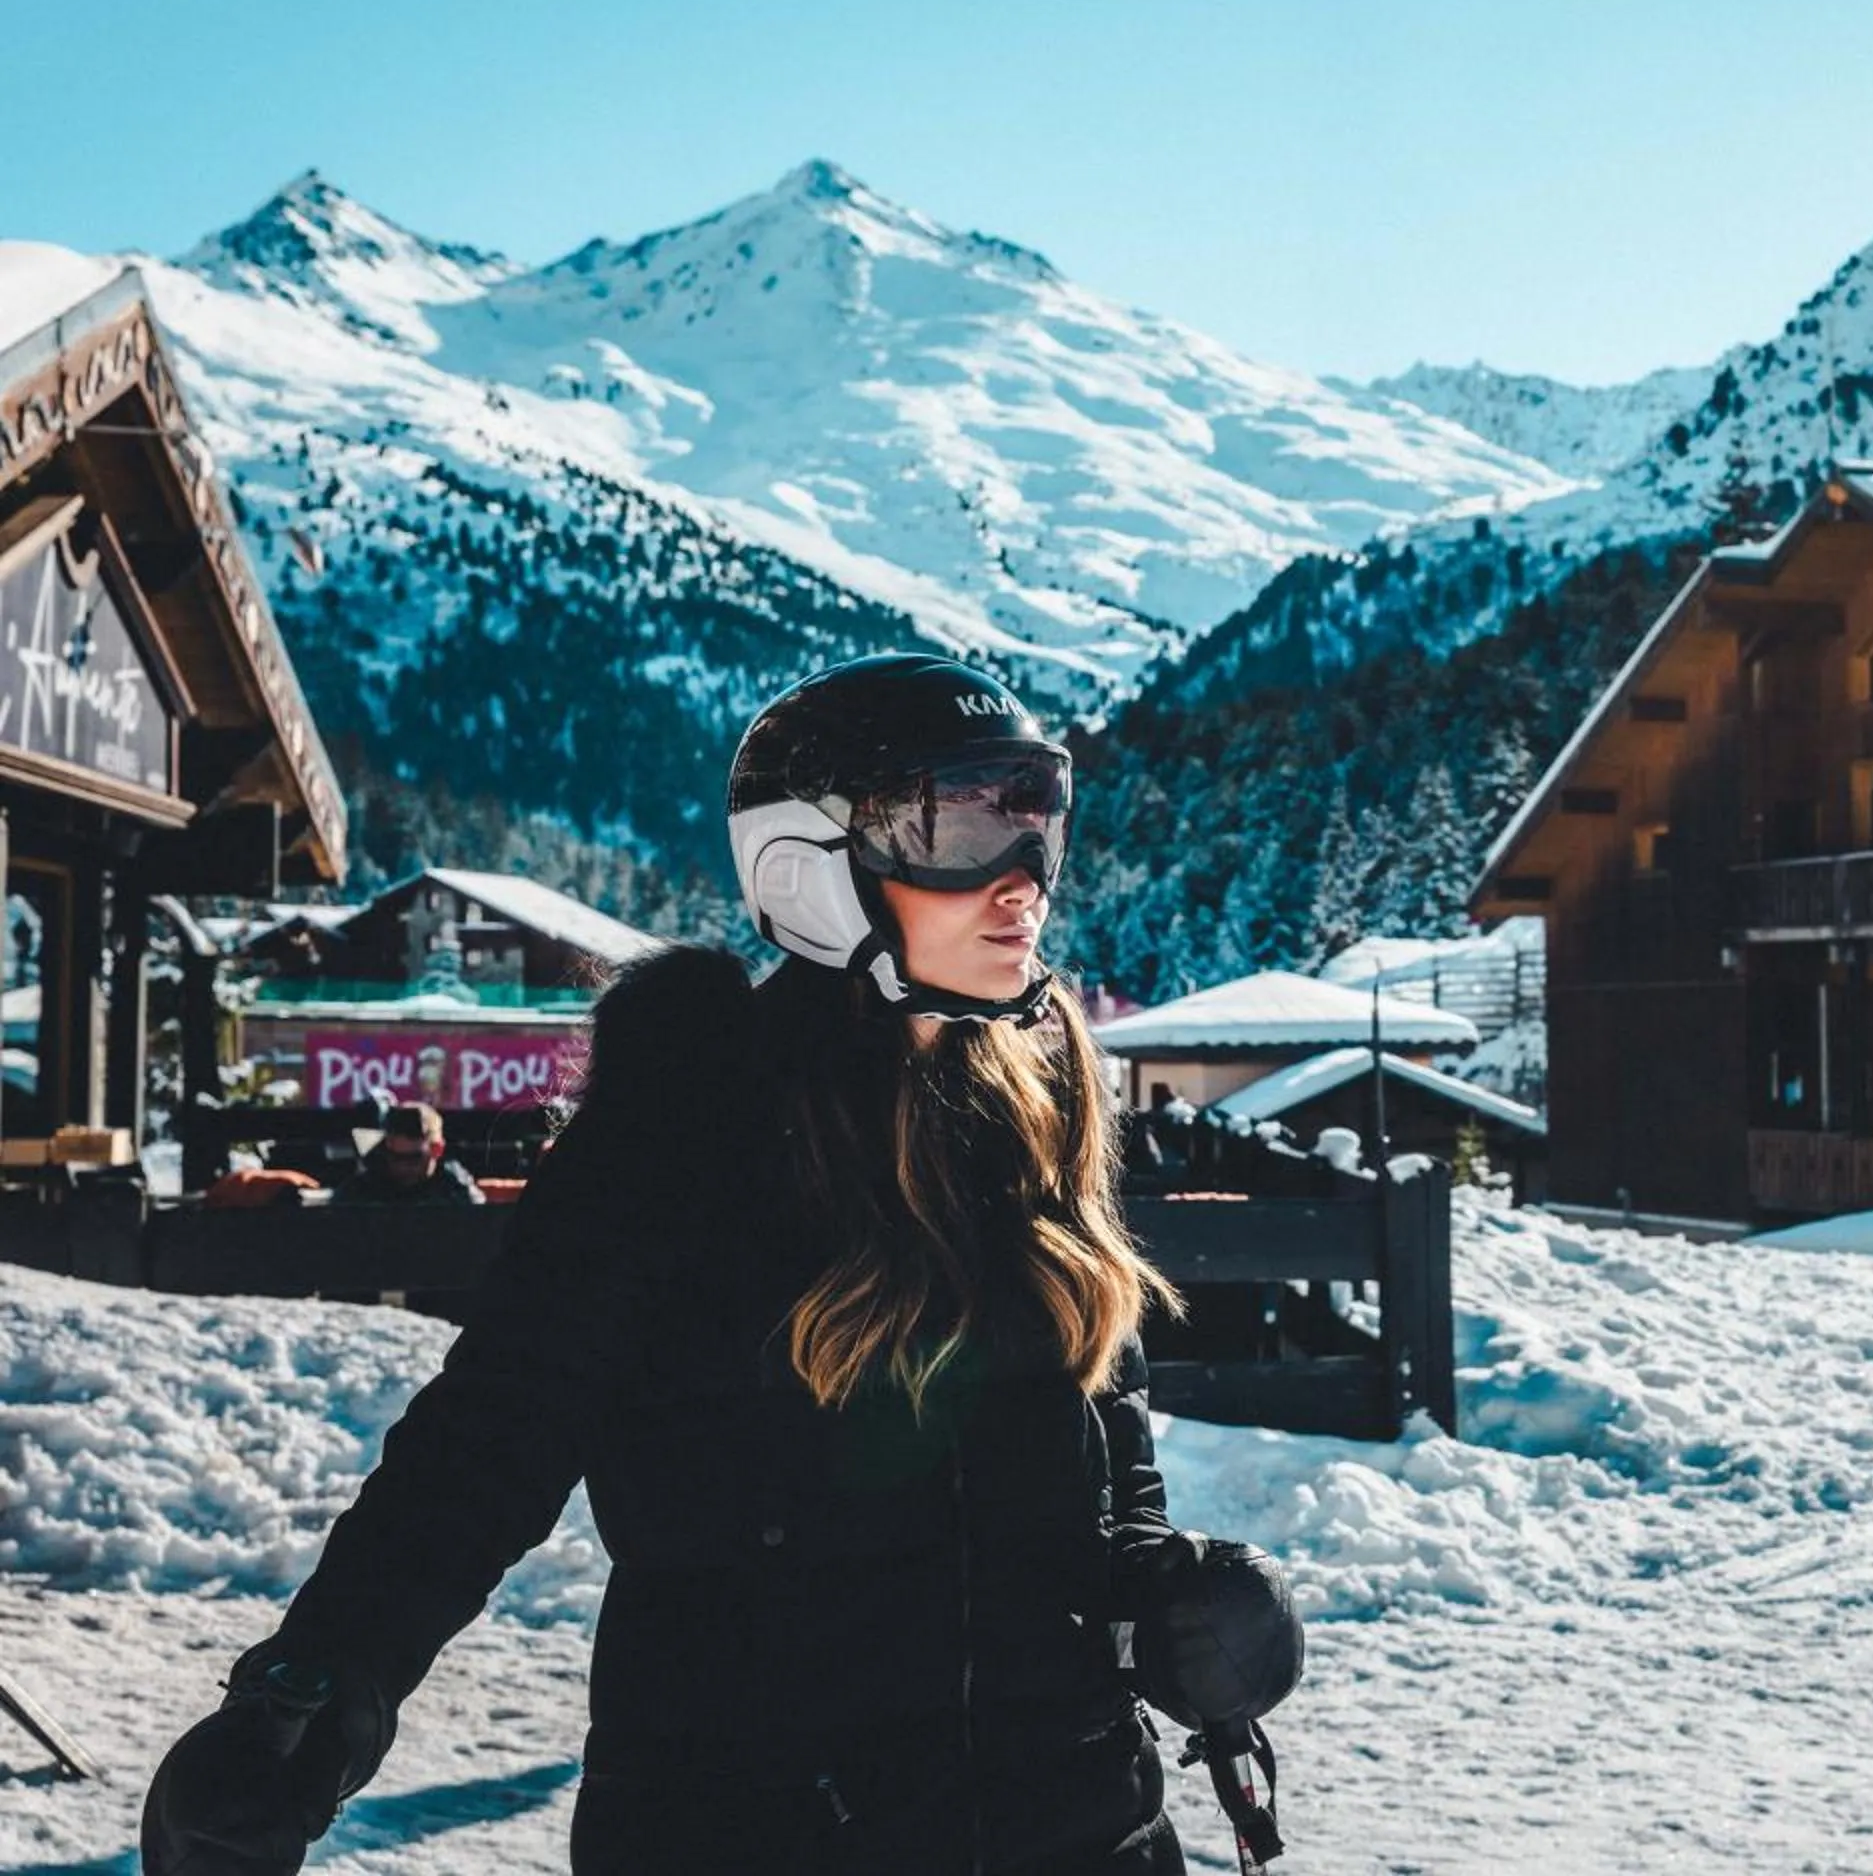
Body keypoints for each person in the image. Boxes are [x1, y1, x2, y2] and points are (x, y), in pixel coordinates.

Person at [142, 655, 1302, 1876]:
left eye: (1037, 822)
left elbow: (1102, 1428)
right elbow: (486, 1444)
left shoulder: (1034, 1105)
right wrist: (312, 1694)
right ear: (811, 866)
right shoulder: (684, 1129)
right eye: (961, 828)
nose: (1022, 880)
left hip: (1078, 1825)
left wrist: (1171, 1602)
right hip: (759, 1828)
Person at [326, 1102, 486, 1208]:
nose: (402, 1167)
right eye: (394, 1157)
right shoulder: (360, 1192)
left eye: (413, 1159)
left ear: (437, 1150)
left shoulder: (456, 1192)